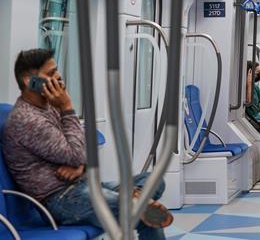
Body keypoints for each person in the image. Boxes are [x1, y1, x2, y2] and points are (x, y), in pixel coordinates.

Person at [3, 49, 171, 240]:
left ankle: (138, 197)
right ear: (29, 81)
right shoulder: (27, 120)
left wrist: (79, 166)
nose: (57, 76)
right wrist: (67, 108)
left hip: (81, 185)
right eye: (50, 74)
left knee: (153, 180)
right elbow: (77, 152)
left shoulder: (49, 106)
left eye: (56, 70)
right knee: (143, 214)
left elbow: (83, 144)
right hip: (59, 199)